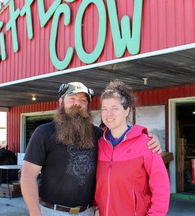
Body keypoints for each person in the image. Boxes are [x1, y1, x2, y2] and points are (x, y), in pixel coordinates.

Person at [21, 82, 162, 216]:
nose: (78, 103)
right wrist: (35, 213)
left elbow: (123, 137)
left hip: (88, 212)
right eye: (72, 98)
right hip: (52, 211)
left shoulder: (99, 136)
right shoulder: (44, 133)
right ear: (60, 102)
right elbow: (28, 176)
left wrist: (147, 137)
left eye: (83, 100)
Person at [94, 80, 170, 215]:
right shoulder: (98, 143)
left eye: (114, 108)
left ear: (127, 110)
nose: (108, 114)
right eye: (104, 109)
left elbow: (161, 187)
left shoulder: (146, 143)